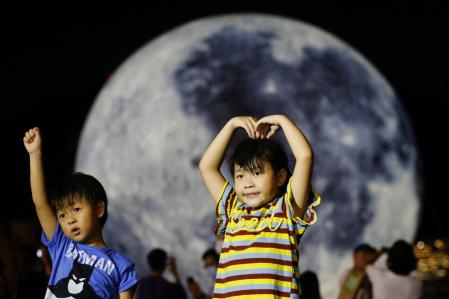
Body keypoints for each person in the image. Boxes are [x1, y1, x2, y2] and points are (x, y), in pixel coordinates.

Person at [199, 115, 321, 299]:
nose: (247, 183)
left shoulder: (286, 210)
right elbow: (207, 166)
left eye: (257, 173)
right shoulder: (233, 209)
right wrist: (231, 125)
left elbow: (305, 156)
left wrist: (282, 120)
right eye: (240, 176)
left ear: (280, 177)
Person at [23, 127, 138, 298]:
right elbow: (40, 203)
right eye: (62, 215)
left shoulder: (122, 265)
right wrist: (35, 155)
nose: (70, 220)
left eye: (76, 209)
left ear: (99, 209)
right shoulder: (61, 244)